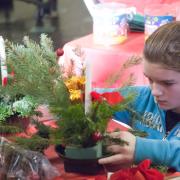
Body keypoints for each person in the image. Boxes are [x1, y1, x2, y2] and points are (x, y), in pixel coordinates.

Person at [98, 22, 180, 172]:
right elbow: (99, 97)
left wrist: (141, 149)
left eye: (167, 83)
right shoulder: (145, 97)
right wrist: (70, 96)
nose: (155, 91)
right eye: (150, 79)